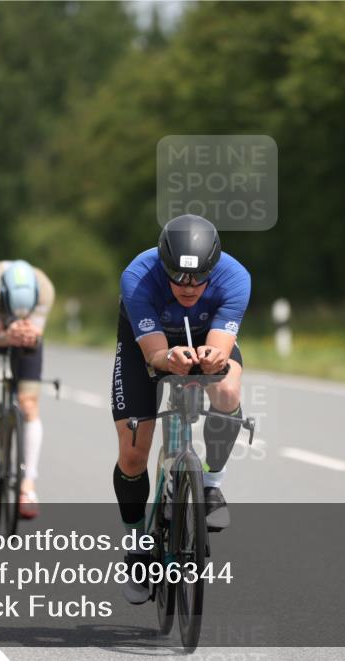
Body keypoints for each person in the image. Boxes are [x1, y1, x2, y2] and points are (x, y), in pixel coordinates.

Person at [111, 214, 250, 603]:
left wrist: (213, 358)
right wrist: (167, 358)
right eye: (178, 277)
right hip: (147, 346)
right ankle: (137, 547)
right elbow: (155, 355)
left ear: (213, 267)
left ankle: (212, 484)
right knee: (133, 453)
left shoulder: (235, 277)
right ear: (163, 264)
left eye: (198, 278)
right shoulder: (138, 276)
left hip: (205, 337)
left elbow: (220, 347)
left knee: (226, 391)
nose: (188, 287)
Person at [0, 260, 55, 519]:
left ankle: (28, 485)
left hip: (24, 332)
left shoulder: (45, 289)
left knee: (29, 404)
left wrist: (27, 334)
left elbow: (35, 334)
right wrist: (5, 336)